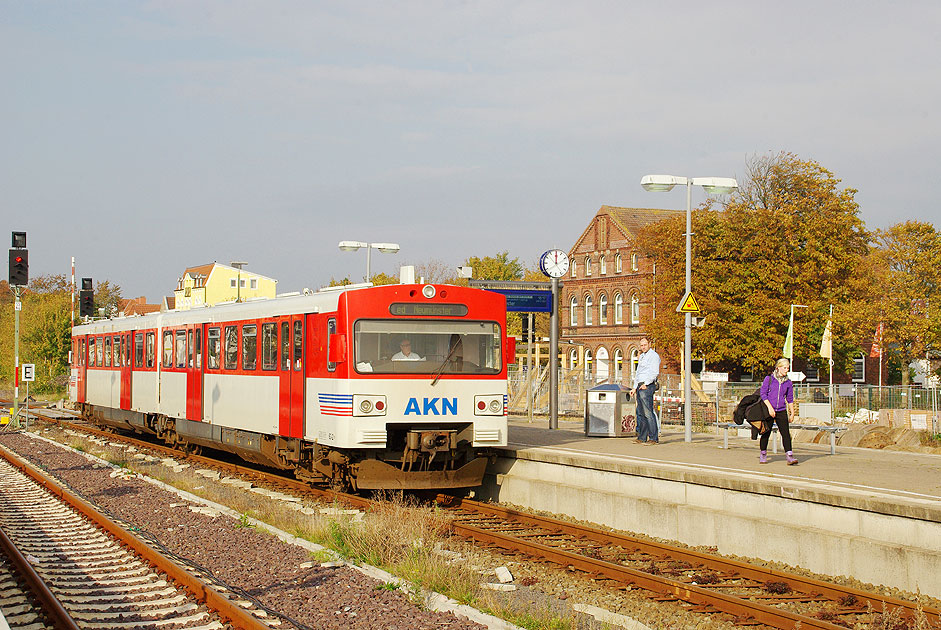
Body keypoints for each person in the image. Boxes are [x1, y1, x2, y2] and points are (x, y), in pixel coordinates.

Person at [759, 358, 798, 465]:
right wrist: (770, 408)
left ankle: (789, 456)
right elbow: (763, 394)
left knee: (785, 433)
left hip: (781, 409)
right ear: (778, 368)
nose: (786, 370)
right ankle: (763, 454)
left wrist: (792, 412)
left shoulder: (788, 382)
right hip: (769, 409)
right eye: (784, 368)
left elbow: (789, 398)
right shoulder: (769, 379)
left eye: (788, 368)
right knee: (766, 432)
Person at [630, 337, 661, 445]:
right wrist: (634, 387)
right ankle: (642, 437)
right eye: (641, 345)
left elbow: (654, 372)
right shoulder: (642, 356)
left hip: (647, 386)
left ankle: (653, 438)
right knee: (641, 412)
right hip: (640, 385)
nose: (643, 347)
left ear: (649, 344)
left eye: (645, 345)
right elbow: (638, 373)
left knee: (648, 412)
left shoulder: (654, 356)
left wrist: (646, 384)